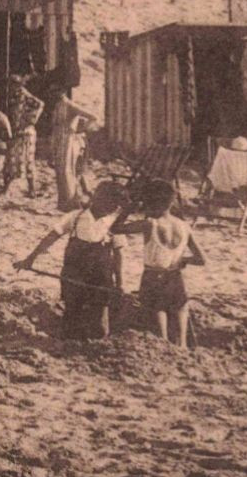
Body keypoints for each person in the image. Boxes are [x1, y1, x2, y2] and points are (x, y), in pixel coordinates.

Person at [16, 181, 129, 340]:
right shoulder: (75, 217)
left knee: (100, 321)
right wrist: (30, 259)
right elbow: (51, 237)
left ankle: (98, 346)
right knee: (72, 313)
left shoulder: (114, 226)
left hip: (101, 278)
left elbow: (119, 256)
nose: (113, 209)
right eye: (110, 204)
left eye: (116, 207)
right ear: (97, 197)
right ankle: (68, 346)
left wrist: (120, 283)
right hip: (74, 274)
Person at [113, 179, 206, 348]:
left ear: (149, 204)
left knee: (157, 312)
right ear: (170, 203)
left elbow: (116, 228)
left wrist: (126, 211)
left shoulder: (150, 224)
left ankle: (164, 350)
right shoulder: (184, 226)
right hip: (176, 276)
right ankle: (182, 348)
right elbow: (201, 259)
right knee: (180, 309)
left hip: (152, 275)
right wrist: (183, 259)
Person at [48, 94, 98, 212]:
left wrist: (81, 129)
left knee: (67, 170)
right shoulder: (57, 106)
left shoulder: (70, 105)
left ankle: (72, 203)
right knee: (60, 170)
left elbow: (93, 116)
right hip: (58, 139)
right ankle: (63, 203)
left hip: (69, 140)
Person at [4, 74, 46, 199]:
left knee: (27, 160)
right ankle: (6, 188)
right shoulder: (13, 97)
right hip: (17, 132)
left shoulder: (25, 95)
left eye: (14, 84)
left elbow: (40, 105)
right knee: (11, 159)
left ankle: (32, 190)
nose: (11, 87)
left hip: (26, 133)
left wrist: (30, 120)